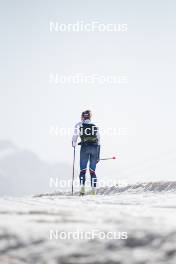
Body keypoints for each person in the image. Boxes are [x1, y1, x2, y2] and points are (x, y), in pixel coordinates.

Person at [72, 110, 100, 195]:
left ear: (82, 117)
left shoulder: (78, 125)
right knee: (92, 171)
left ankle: (82, 190)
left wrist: (73, 144)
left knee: (83, 170)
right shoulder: (95, 126)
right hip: (95, 149)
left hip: (85, 148)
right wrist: (98, 155)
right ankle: (94, 191)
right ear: (90, 117)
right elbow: (99, 142)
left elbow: (74, 139)